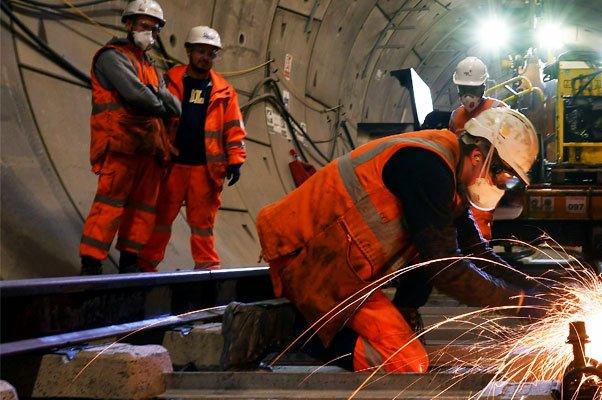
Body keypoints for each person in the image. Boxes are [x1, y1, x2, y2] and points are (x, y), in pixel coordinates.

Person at [256, 108, 542, 373]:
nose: (503, 184)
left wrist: (536, 287)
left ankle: (332, 324)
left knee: (428, 252)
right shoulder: (428, 168)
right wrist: (517, 302)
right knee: (407, 361)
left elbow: (475, 250)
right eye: (504, 176)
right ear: (480, 155)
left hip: (343, 266)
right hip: (307, 258)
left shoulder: (448, 170)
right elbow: (445, 267)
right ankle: (295, 334)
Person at [79, 0, 180, 275]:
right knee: (109, 205)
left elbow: (176, 106)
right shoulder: (113, 57)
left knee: (143, 209)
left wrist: (155, 96)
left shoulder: (148, 64)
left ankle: (130, 262)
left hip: (148, 149)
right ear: (129, 24)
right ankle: (91, 263)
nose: (150, 33)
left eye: (155, 29)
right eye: (145, 26)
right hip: (122, 145)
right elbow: (137, 97)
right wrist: (158, 99)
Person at [135, 26, 246, 272]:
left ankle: (207, 270)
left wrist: (236, 158)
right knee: (161, 219)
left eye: (210, 53)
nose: (205, 57)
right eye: (200, 51)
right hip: (172, 165)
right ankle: (145, 266)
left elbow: (233, 128)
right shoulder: (171, 79)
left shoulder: (224, 92)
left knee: (203, 225)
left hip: (205, 171)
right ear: (189, 51)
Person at [448, 56, 510, 240]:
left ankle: (479, 256)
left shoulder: (499, 111)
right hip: (461, 180)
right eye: (463, 89)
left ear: (483, 87)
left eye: (472, 89)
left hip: (486, 180)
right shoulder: (456, 116)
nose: (468, 95)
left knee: (478, 219)